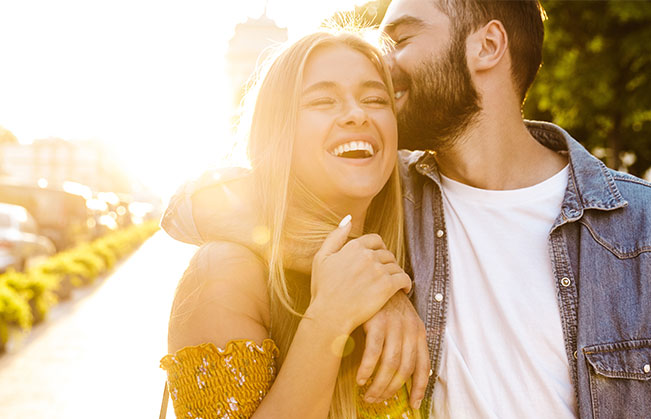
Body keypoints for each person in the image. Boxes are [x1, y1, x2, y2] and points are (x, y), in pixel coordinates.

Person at [163, 1, 651, 418]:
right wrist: (364, 286)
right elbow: (189, 206)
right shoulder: (393, 197)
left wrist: (365, 278)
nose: (385, 61)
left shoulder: (639, 225)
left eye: (401, 38)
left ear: (487, 46)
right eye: (323, 101)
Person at [160, 31, 428, 418]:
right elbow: (182, 206)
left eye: (375, 99)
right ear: (277, 130)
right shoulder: (224, 275)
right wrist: (329, 320)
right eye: (322, 101)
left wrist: (379, 284)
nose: (358, 113)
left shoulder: (421, 238)